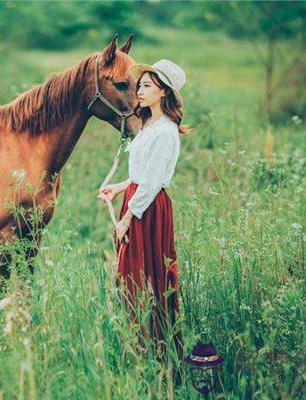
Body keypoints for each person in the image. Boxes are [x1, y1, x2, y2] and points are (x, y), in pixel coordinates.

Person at [97, 59, 191, 362]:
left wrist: (126, 218)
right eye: (141, 84)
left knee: (147, 273)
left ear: (163, 92)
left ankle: (157, 347)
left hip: (148, 207)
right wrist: (121, 187)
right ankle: (138, 343)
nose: (140, 89)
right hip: (138, 199)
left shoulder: (165, 131)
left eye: (147, 85)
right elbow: (142, 174)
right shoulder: (148, 125)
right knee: (131, 271)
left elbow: (152, 183)